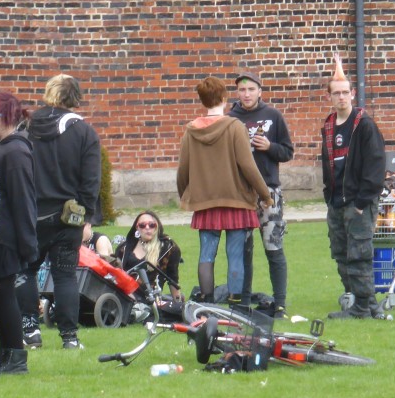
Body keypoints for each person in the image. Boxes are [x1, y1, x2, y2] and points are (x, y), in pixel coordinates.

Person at [15, 74, 101, 350]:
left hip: (30, 212)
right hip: (68, 215)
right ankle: (69, 337)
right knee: (65, 274)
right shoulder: (83, 132)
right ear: (74, 97)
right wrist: (87, 215)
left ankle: (30, 329)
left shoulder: (25, 127)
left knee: (26, 271)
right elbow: (90, 180)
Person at [176, 77, 273, 306]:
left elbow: (183, 169)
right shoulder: (234, 126)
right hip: (236, 200)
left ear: (202, 100)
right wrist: (265, 195)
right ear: (224, 97)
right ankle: (236, 304)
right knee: (235, 255)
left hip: (205, 202)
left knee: (206, 255)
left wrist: (185, 195)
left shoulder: (191, 131)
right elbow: (248, 166)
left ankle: (207, 302)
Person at [321, 54, 387, 319]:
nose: (341, 97)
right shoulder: (327, 126)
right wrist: (329, 198)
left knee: (359, 253)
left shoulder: (364, 124)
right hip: (336, 202)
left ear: (353, 93)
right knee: (341, 254)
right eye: (336, 93)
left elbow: (376, 165)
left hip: (358, 202)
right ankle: (369, 304)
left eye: (345, 92)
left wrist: (361, 203)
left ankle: (362, 307)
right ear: (329, 97)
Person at [0, 91, 38, 376]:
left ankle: (16, 358)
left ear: (6, 117)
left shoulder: (15, 151)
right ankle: (5, 355)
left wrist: (28, 245)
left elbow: (23, 200)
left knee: (4, 297)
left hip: (6, 238)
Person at [227, 70, 295, 318]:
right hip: (240, 195)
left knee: (273, 247)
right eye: (242, 90)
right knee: (242, 251)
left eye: (251, 89)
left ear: (260, 91)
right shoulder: (230, 119)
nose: (246, 94)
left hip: (269, 193)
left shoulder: (273, 116)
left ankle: (279, 304)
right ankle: (243, 303)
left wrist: (270, 147)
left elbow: (288, 152)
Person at [114, 211, 182, 300]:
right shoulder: (124, 248)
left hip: (150, 299)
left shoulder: (168, 247)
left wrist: (178, 304)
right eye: (142, 225)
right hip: (124, 294)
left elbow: (173, 280)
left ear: (157, 227)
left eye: (151, 225)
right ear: (137, 228)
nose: (147, 228)